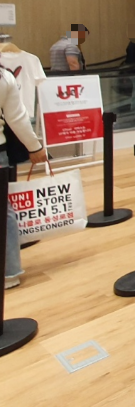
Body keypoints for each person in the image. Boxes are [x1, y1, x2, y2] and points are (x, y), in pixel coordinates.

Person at [2, 67, 48, 289]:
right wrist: (34, 146)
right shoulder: (4, 77)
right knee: (3, 210)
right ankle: (9, 272)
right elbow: (16, 117)